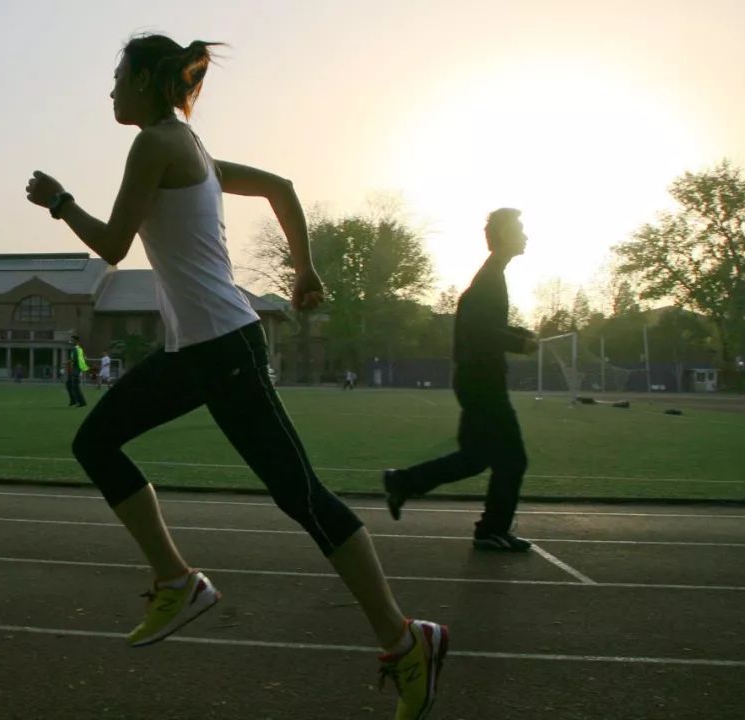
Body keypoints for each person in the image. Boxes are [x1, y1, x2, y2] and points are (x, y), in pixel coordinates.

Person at [24, 33, 446, 720]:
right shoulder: (190, 149)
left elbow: (112, 245)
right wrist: (305, 268)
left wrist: (59, 200)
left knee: (303, 496)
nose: (109, 90)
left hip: (224, 348)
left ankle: (404, 641)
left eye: (116, 77)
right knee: (98, 443)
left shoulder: (157, 143)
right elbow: (280, 187)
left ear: (145, 83)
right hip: (203, 348)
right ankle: (177, 580)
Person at [384, 208, 537, 551]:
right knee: (513, 460)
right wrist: (519, 343)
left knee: (475, 458)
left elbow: (481, 326)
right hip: (482, 383)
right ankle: (491, 530)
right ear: (502, 236)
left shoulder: (492, 277)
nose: (526, 235)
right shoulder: (490, 280)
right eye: (519, 229)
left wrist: (516, 334)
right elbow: (481, 333)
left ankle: (403, 482)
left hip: (476, 380)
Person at [66, 335, 88, 407]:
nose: (71, 341)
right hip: (74, 369)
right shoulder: (77, 349)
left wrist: (66, 362)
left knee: (75, 386)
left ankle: (82, 402)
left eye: (72, 340)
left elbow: (74, 359)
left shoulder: (76, 349)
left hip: (76, 370)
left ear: (76, 341)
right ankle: (73, 400)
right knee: (69, 384)